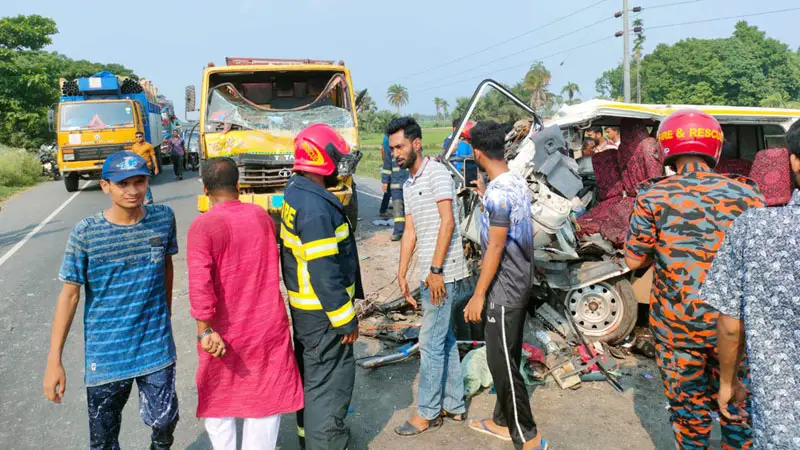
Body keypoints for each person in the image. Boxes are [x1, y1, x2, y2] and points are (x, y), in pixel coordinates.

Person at [624, 110, 764, 450]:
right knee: (737, 411)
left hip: (678, 330)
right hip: (733, 327)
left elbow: (633, 259)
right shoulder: (749, 195)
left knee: (689, 416)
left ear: (667, 149)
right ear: (714, 147)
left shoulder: (653, 197)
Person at [43, 151, 179, 450]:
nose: (133, 191)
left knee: (165, 424)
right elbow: (70, 295)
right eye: (123, 184)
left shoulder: (163, 219)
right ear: (105, 186)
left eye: (139, 181)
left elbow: (166, 265)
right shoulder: (86, 233)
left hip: (155, 347)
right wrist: (55, 360)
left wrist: (165, 314)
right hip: (107, 355)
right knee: (103, 441)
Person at [187, 158, 304, 450]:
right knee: (265, 398)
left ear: (205, 189)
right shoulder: (261, 217)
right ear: (239, 185)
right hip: (266, 327)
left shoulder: (203, 226)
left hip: (222, 332)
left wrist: (204, 331)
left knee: (219, 397)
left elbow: (200, 285)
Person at [699, 120, 800, 449]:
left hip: (783, 425)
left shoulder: (755, 228)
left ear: (794, 161)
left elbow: (730, 325)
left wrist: (729, 381)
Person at [279, 123, 363, 450]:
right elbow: (324, 271)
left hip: (307, 312)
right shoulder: (315, 208)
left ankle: (308, 439)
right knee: (329, 387)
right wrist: (345, 319)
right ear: (320, 158)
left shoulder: (297, 190)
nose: (340, 163)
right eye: (335, 155)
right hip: (323, 315)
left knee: (312, 382)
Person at [463, 121, 545, 450]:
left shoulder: (499, 191)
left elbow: (496, 247)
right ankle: (501, 421)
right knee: (507, 357)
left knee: (502, 365)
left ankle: (528, 436)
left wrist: (478, 295)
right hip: (521, 281)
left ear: (478, 153)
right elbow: (505, 224)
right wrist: (485, 198)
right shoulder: (513, 181)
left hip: (504, 290)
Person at [390, 116, 469, 436]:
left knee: (430, 341)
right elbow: (410, 230)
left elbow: (448, 222)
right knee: (444, 339)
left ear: (416, 144)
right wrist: (402, 270)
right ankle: (455, 404)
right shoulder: (408, 182)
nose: (395, 153)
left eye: (400, 146)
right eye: (392, 147)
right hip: (428, 273)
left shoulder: (435, 172)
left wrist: (435, 270)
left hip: (445, 273)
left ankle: (428, 412)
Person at [382, 133, 410, 241]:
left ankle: (410, 231)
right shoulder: (390, 150)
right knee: (398, 210)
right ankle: (398, 231)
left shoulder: (408, 149)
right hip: (395, 185)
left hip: (408, 183)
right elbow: (387, 166)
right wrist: (385, 181)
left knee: (409, 209)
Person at [132, 131, 159, 204]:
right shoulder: (134, 146)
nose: (138, 138)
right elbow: (133, 157)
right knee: (137, 183)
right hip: (137, 168)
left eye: (140, 136)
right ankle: (141, 198)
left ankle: (149, 199)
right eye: (137, 137)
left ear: (143, 137)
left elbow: (153, 156)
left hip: (146, 167)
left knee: (145, 183)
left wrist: (156, 167)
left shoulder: (148, 146)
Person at [379, 135, 392, 219]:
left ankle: (384, 209)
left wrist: (385, 161)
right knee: (390, 189)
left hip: (388, 163)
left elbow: (382, 150)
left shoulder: (385, 137)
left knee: (389, 188)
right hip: (392, 164)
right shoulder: (392, 137)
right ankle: (383, 210)